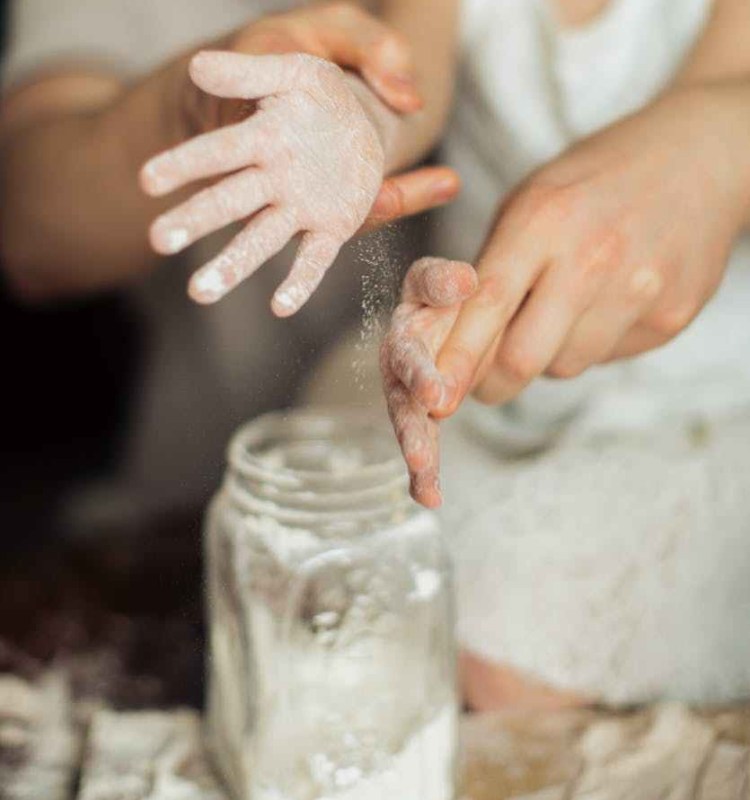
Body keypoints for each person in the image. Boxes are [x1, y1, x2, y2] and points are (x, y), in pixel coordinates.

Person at [376, 0, 750, 710]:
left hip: (712, 400)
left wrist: (707, 149)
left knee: (501, 658)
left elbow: (726, 91)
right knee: (342, 560)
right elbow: (400, 79)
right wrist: (352, 122)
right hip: (495, 393)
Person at [0, 1, 459, 532]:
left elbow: (416, 70)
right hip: (208, 467)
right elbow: (29, 238)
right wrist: (189, 110)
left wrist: (369, 118)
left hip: (451, 428)